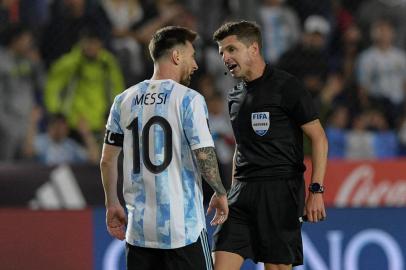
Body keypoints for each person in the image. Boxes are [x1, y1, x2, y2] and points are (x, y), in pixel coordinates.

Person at [99, 26, 228, 270]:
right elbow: (204, 153)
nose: (196, 65)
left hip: (139, 232)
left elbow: (107, 160)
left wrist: (112, 203)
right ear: (176, 56)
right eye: (191, 56)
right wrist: (219, 192)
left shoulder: (123, 100)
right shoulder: (189, 99)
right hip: (183, 229)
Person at [211, 21, 328, 270]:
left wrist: (316, 190)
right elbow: (241, 147)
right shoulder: (234, 96)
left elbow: (318, 138)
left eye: (231, 49)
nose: (225, 57)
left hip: (279, 191)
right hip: (241, 195)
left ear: (253, 48)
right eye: (222, 52)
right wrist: (231, 191)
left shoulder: (287, 87)